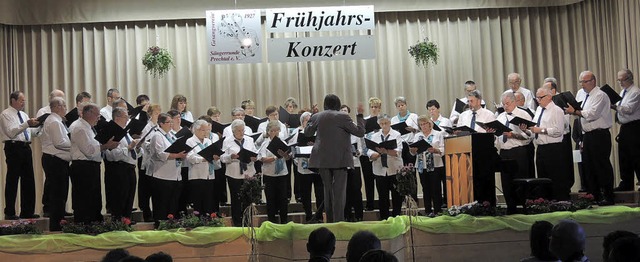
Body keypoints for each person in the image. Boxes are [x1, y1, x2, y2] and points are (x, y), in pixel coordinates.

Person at [304, 94, 365, 223]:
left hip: (322, 159)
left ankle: (330, 222)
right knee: (339, 192)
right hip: (340, 159)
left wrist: (312, 116)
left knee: (327, 191)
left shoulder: (317, 116)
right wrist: (359, 115)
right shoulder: (343, 116)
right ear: (338, 104)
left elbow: (307, 132)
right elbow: (360, 132)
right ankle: (338, 222)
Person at [566, 71, 615, 205]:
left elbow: (592, 114)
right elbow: (581, 112)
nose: (582, 84)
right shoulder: (582, 94)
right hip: (587, 135)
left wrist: (575, 111)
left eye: (584, 81)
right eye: (580, 82)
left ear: (593, 81)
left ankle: (608, 196)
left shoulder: (600, 95)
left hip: (599, 134)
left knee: (601, 165)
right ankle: (594, 195)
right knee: (588, 166)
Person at [69, 103, 119, 224]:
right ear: (88, 113)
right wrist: (106, 146)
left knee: (94, 199)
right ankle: (84, 225)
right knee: (84, 199)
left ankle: (93, 223)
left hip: (91, 166)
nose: (99, 118)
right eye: (97, 115)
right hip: (83, 167)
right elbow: (89, 151)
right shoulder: (79, 127)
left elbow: (94, 146)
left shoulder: (89, 127)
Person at [525, 85, 572, 201]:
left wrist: (540, 130)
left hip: (554, 148)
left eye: (540, 97)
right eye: (537, 98)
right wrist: (526, 130)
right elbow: (534, 130)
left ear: (549, 97)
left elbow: (558, 131)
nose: (538, 100)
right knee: (542, 178)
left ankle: (559, 201)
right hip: (541, 148)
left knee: (555, 177)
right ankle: (546, 202)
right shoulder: (539, 110)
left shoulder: (556, 110)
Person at [0, 91, 40, 220]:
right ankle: (10, 212)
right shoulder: (6, 114)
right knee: (13, 179)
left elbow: (27, 133)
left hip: (25, 147)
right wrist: (27, 123)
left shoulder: (23, 114)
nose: (24, 103)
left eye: (24, 101)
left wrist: (38, 127)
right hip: (13, 147)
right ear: (13, 100)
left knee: (28, 179)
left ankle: (27, 211)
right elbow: (12, 132)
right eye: (21, 100)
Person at [494, 92, 533, 213]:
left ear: (514, 102)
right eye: (503, 104)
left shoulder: (523, 114)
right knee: (506, 182)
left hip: (518, 151)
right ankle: (510, 208)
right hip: (504, 152)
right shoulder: (500, 117)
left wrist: (514, 135)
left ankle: (523, 207)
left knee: (519, 180)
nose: (505, 106)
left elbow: (530, 136)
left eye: (507, 103)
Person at [147, 113, 187, 226]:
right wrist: (177, 155)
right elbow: (161, 155)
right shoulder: (157, 136)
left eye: (171, 122)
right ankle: (160, 225)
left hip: (175, 175)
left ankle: (171, 224)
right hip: (162, 175)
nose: (171, 124)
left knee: (173, 204)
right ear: (161, 123)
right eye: (168, 122)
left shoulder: (172, 135)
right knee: (162, 204)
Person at [104, 107, 140, 221]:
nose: (128, 119)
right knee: (120, 199)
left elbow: (132, 152)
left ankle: (126, 222)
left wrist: (137, 148)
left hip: (130, 168)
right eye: (126, 117)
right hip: (119, 168)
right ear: (117, 117)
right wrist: (129, 148)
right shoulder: (111, 131)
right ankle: (118, 223)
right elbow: (112, 155)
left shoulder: (125, 132)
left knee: (129, 198)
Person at [40, 97, 71, 230]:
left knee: (60, 193)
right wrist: (75, 144)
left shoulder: (56, 121)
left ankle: (59, 222)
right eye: (64, 106)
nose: (66, 108)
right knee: (57, 194)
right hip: (55, 161)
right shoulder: (54, 122)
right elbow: (60, 143)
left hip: (56, 160)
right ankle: (57, 225)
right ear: (58, 107)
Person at [221, 119, 258, 226]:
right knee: (236, 199)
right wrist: (230, 157)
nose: (241, 132)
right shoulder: (227, 141)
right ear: (233, 131)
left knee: (248, 199)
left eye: (243, 130)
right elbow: (222, 158)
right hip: (234, 174)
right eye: (239, 131)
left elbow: (256, 153)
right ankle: (237, 223)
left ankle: (248, 222)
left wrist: (254, 158)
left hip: (248, 173)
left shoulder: (249, 140)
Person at [367, 115, 403, 220]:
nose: (384, 125)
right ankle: (384, 218)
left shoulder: (396, 134)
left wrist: (386, 151)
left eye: (386, 123)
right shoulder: (374, 136)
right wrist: (378, 153)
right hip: (380, 170)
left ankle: (396, 216)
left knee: (396, 195)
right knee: (383, 196)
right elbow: (370, 153)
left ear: (390, 123)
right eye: (382, 124)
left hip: (394, 169)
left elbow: (398, 151)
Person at [292, 111, 324, 223]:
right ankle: (308, 215)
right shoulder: (298, 133)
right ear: (302, 122)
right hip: (304, 168)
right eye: (306, 120)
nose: (309, 123)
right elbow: (293, 149)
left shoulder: (320, 133)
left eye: (311, 121)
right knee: (306, 193)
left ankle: (319, 216)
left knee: (320, 193)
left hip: (318, 168)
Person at [409, 116, 444, 217]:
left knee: (436, 188)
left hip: (435, 165)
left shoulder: (438, 134)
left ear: (429, 124)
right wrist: (412, 151)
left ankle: (438, 210)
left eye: (425, 124)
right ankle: (428, 210)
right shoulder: (417, 136)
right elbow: (413, 152)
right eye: (421, 125)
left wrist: (436, 150)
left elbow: (444, 148)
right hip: (421, 166)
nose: (423, 126)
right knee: (425, 188)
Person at [257, 120, 291, 224]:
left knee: (283, 199)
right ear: (268, 132)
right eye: (272, 131)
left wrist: (285, 155)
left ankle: (284, 221)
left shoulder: (283, 142)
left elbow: (288, 157)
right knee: (271, 199)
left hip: (282, 175)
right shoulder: (265, 144)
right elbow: (262, 158)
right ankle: (271, 221)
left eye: (277, 130)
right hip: (269, 175)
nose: (275, 132)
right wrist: (275, 157)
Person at [612, 69, 640, 191]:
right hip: (624, 127)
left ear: (630, 78)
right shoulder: (623, 92)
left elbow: (629, 109)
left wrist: (614, 106)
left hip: (634, 127)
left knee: (636, 155)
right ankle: (626, 182)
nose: (620, 83)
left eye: (622, 80)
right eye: (619, 80)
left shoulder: (635, 92)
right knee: (624, 155)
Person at [186, 119, 221, 214]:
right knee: (198, 200)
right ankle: (199, 221)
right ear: (196, 130)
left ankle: (208, 219)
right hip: (197, 175)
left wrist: (215, 157)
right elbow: (190, 157)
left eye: (207, 130)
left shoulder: (208, 141)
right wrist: (203, 158)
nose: (206, 132)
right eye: (203, 130)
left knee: (208, 200)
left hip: (209, 175)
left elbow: (212, 153)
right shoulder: (190, 141)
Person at [341, 104, 364, 221]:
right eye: (342, 111)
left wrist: (357, 151)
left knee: (356, 189)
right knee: (345, 190)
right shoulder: (337, 128)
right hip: (343, 165)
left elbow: (360, 145)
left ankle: (359, 215)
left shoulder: (354, 127)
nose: (344, 112)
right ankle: (347, 215)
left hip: (354, 163)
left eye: (346, 110)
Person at [139, 104, 161, 222]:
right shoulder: (148, 127)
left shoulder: (159, 127)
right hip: (148, 163)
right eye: (156, 113)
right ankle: (147, 214)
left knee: (155, 190)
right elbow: (145, 143)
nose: (158, 115)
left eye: (159, 113)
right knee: (146, 191)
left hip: (158, 164)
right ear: (150, 114)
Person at [361, 97, 382, 211]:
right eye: (372, 107)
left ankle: (381, 202)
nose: (374, 109)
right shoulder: (365, 120)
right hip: (366, 154)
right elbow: (360, 136)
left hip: (379, 153)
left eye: (376, 107)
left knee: (380, 179)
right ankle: (370, 203)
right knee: (368, 180)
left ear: (379, 108)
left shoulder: (382, 120)